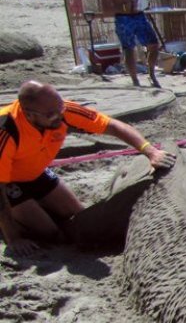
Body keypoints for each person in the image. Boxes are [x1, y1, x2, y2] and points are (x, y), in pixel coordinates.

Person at [0, 80, 175, 257]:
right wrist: (13, 238)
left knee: (82, 219)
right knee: (51, 234)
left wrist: (150, 151)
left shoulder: (62, 110)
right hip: (8, 182)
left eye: (61, 109)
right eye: (52, 114)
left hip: (35, 171)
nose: (60, 116)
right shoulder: (6, 130)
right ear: (30, 116)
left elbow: (112, 126)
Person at [99, 0, 163, 88]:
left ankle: (151, 73)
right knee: (129, 49)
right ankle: (135, 80)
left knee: (153, 44)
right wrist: (122, 7)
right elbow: (105, 10)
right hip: (123, 19)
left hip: (139, 15)